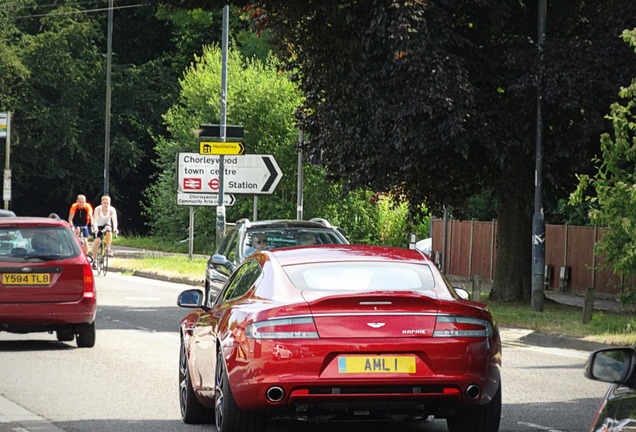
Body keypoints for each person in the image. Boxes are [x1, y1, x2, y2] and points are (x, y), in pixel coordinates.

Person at [91, 195, 118, 269]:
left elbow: (114, 220)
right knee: (96, 242)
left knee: (109, 229)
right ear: (101, 203)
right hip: (98, 225)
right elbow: (95, 220)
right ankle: (94, 260)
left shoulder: (112, 210)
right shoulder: (98, 209)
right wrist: (95, 228)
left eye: (107, 203)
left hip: (106, 224)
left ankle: (108, 248)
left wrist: (115, 228)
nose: (106, 205)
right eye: (104, 203)